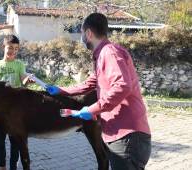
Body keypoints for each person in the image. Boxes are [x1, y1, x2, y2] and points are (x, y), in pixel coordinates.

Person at [46, 13, 151, 170]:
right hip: (122, 135)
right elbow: (89, 83)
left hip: (127, 136)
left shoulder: (109, 53)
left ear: (88, 33)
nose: (81, 38)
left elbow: (122, 86)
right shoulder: (102, 55)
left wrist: (92, 109)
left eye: (82, 33)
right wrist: (61, 90)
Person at [0, 35, 32, 170]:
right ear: (3, 47)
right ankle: (1, 166)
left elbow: (23, 79)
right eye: (10, 48)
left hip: (15, 112)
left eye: (16, 48)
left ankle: (13, 166)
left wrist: (27, 80)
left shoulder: (19, 64)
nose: (13, 51)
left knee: (15, 141)